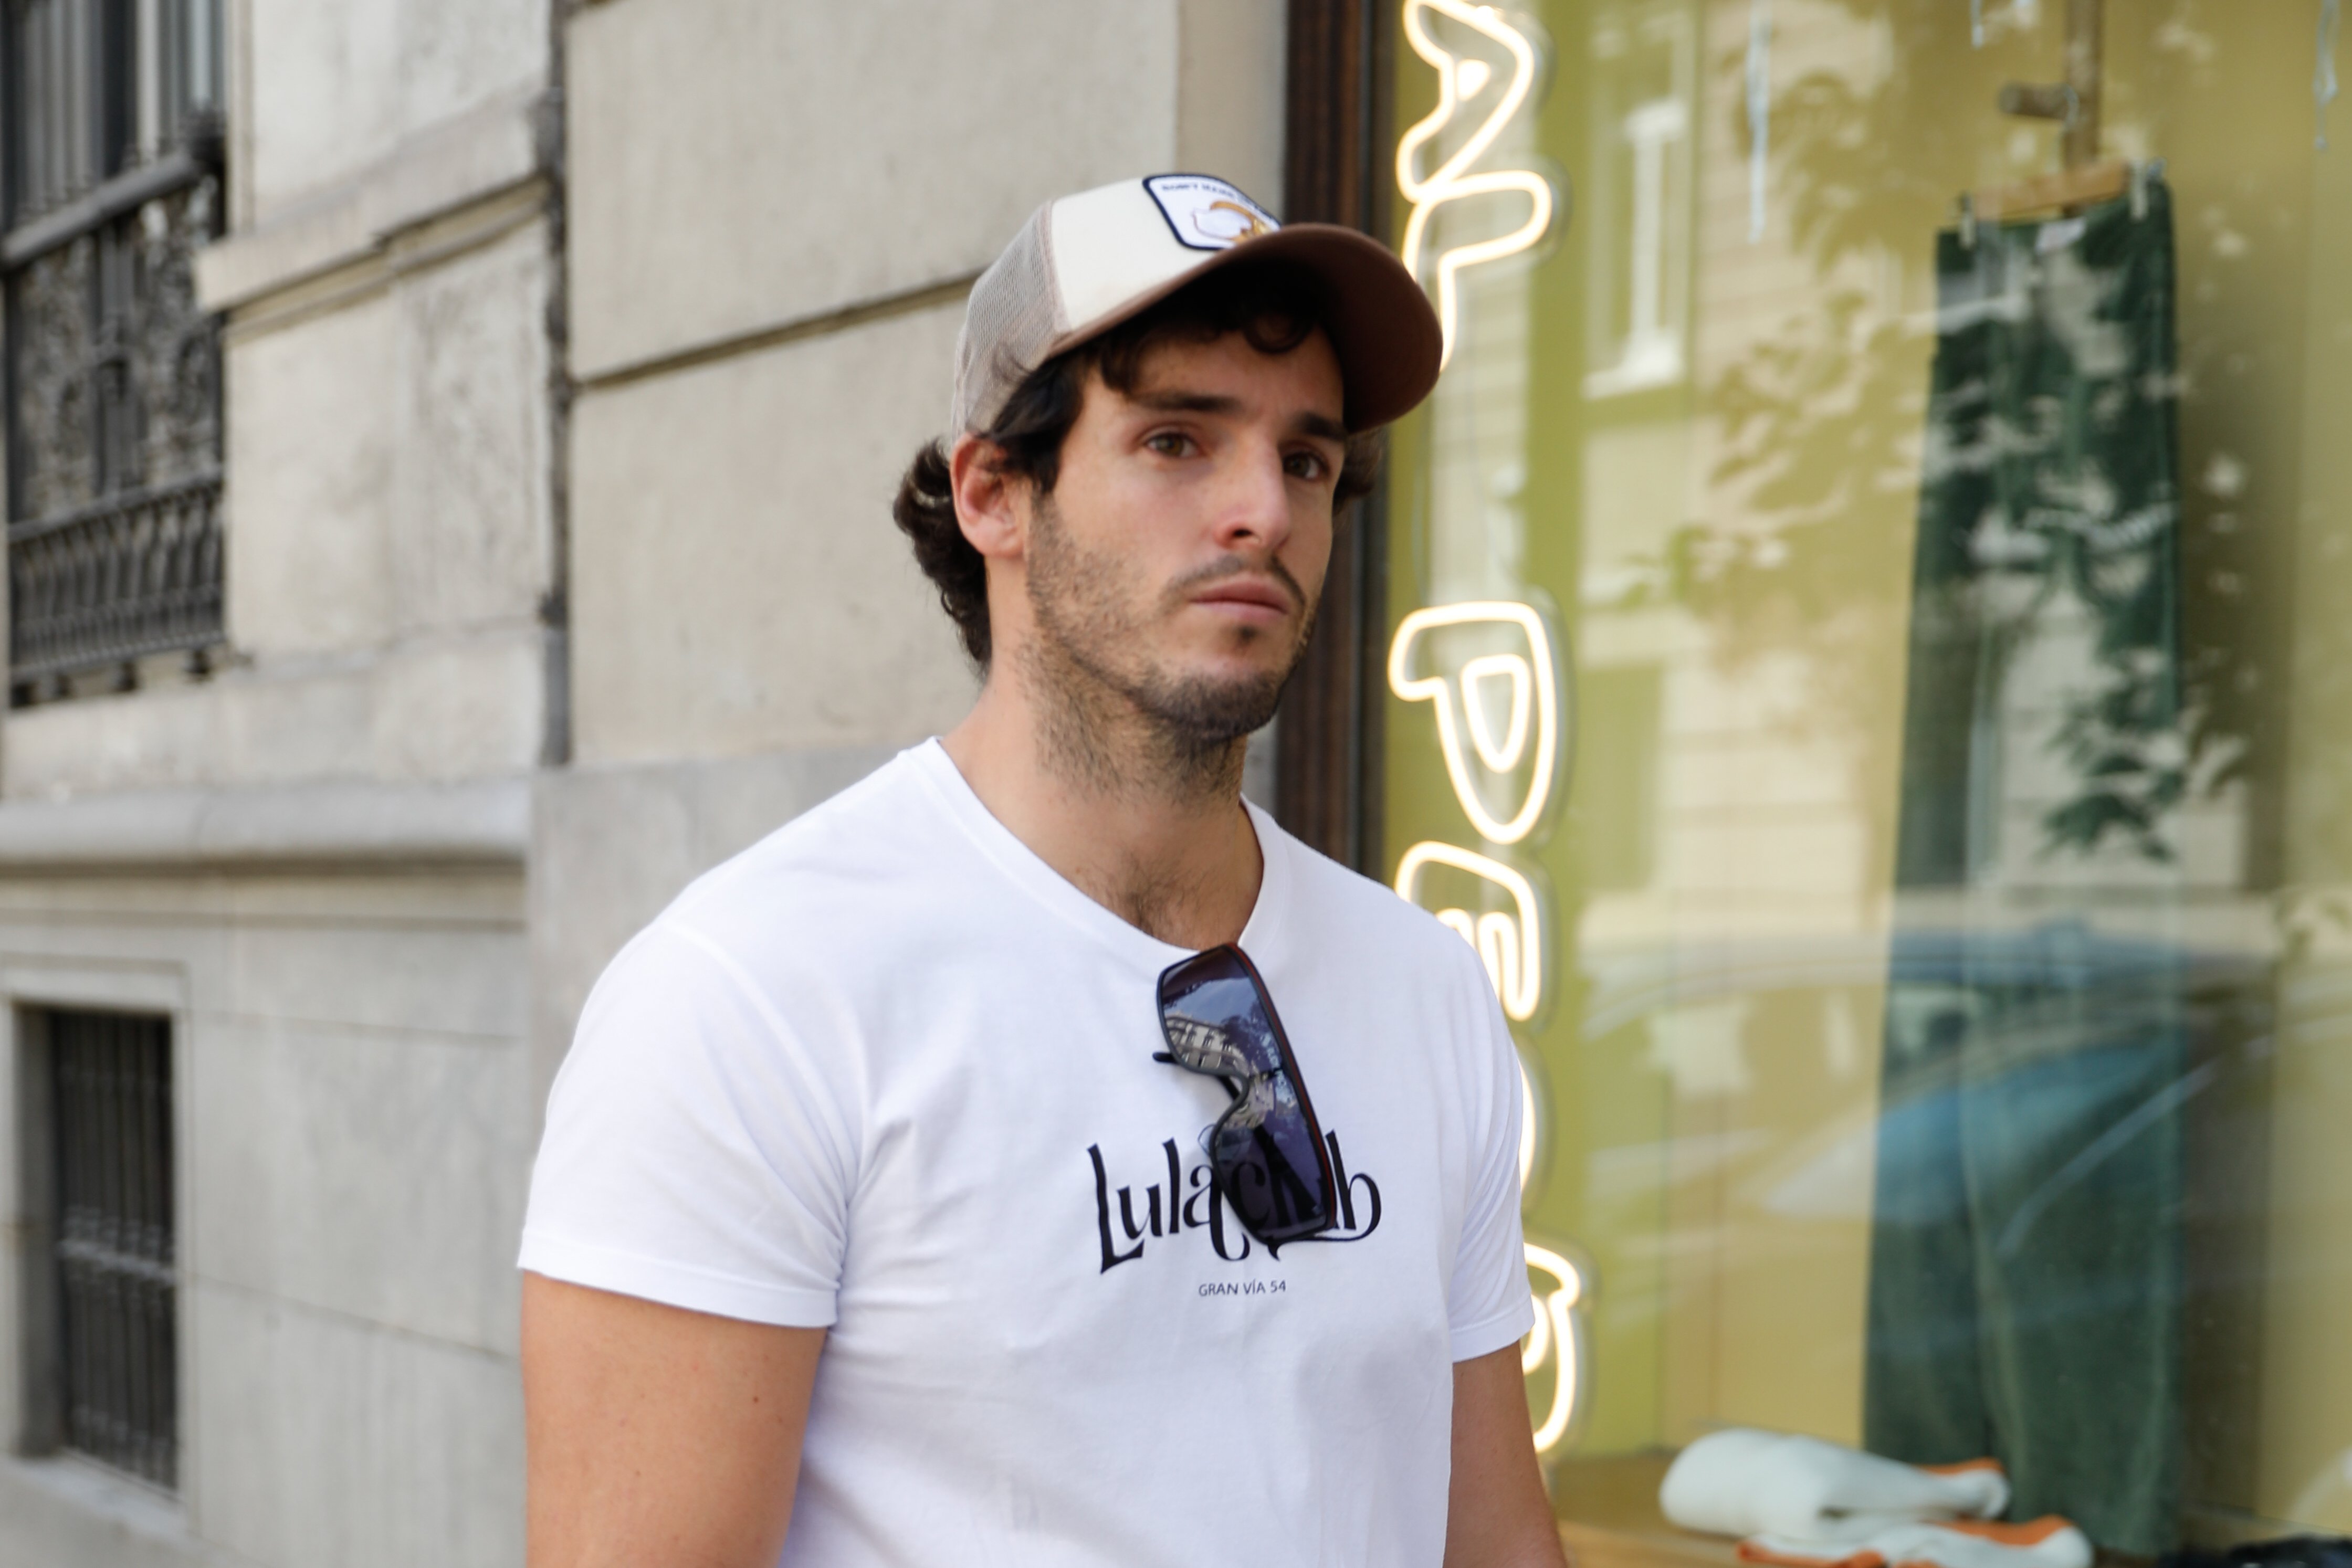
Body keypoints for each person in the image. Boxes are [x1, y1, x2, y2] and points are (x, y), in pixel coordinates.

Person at [518, 172, 1567, 1568]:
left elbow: (1491, 1536)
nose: (1263, 508)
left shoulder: (1421, 984)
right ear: (994, 493)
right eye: (1178, 440)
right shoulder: (751, 997)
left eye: (1307, 460)